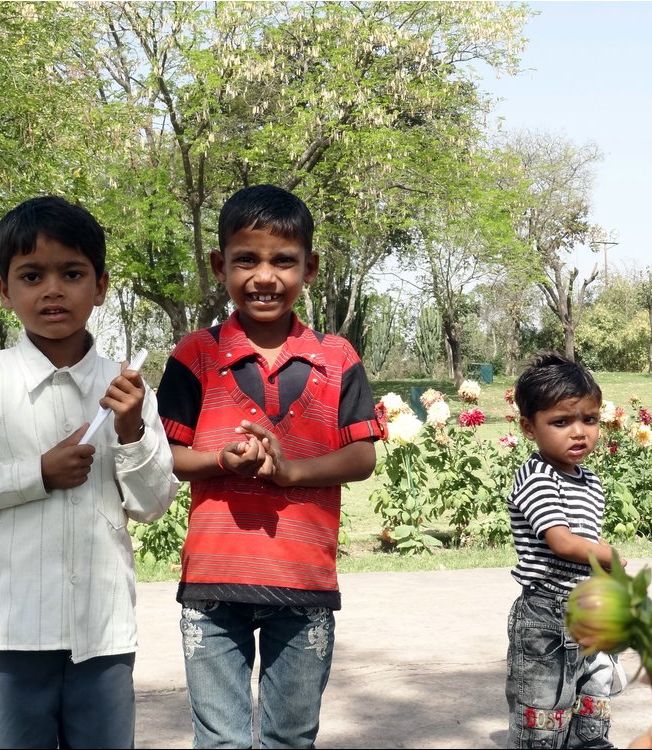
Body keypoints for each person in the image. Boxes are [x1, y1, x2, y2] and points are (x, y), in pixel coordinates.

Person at [0, 195, 179, 749]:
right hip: (14, 635)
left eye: (73, 273)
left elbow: (153, 505)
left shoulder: (127, 390)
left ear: (101, 286)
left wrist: (131, 430)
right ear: (4, 289)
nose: (53, 290)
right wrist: (36, 472)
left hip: (104, 636)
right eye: (32, 275)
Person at [156, 184, 382, 749]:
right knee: (221, 741)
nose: (265, 276)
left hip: (303, 584)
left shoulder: (339, 358)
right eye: (246, 260)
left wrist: (290, 473)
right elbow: (166, 457)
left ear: (310, 266)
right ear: (219, 265)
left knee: (292, 737)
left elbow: (362, 456)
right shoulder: (195, 356)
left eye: (283, 260)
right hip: (213, 586)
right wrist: (219, 459)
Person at [504, 350, 625, 749]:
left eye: (589, 419)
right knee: (545, 714)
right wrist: (610, 557)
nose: (579, 431)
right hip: (547, 615)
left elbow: (586, 539)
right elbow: (563, 542)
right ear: (528, 427)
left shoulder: (589, 480)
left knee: (593, 702)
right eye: (561, 421)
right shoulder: (536, 476)